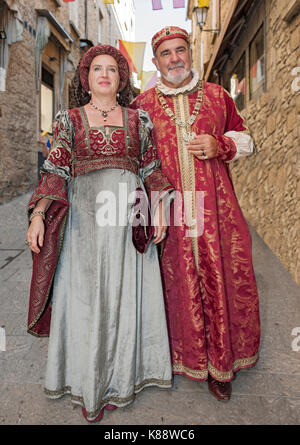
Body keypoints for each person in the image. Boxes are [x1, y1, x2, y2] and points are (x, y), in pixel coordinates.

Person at [26, 44, 174, 422]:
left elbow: (151, 169)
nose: (104, 74)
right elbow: (55, 170)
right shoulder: (69, 120)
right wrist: (39, 214)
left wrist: (158, 209)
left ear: (121, 78)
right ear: (86, 79)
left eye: (111, 69)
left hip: (126, 222)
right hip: (83, 225)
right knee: (86, 302)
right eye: (97, 69)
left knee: (122, 299)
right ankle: (87, 383)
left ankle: (121, 382)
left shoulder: (139, 120)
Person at [131, 27, 260, 401]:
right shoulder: (143, 106)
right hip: (168, 214)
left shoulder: (219, 97)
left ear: (191, 54)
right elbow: (135, 160)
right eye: (166, 54)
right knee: (174, 285)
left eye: (180, 51)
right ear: (156, 62)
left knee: (222, 279)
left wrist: (219, 143)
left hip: (217, 213)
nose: (174, 59)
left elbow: (246, 139)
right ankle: (175, 359)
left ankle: (220, 366)